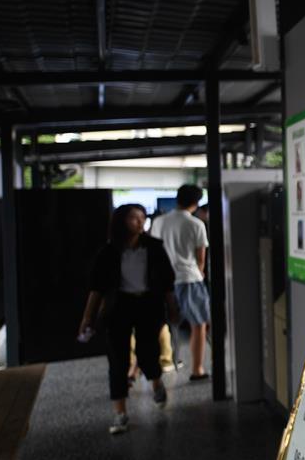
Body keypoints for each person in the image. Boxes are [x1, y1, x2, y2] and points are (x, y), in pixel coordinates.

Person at [78, 204, 179, 435]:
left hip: (148, 305)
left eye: (142, 217)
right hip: (119, 307)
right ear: (121, 221)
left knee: (148, 352)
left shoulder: (153, 247)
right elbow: (97, 287)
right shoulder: (109, 252)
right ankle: (120, 412)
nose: (140, 222)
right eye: (134, 218)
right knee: (118, 360)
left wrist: (172, 308)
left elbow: (167, 283)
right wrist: (87, 317)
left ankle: (156, 381)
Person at [151, 184, 211, 381]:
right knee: (199, 324)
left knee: (160, 324)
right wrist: (200, 272)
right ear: (196, 202)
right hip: (189, 278)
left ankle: (152, 367)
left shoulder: (159, 222)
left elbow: (154, 251)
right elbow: (201, 258)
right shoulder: (196, 224)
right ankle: (197, 369)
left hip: (163, 281)